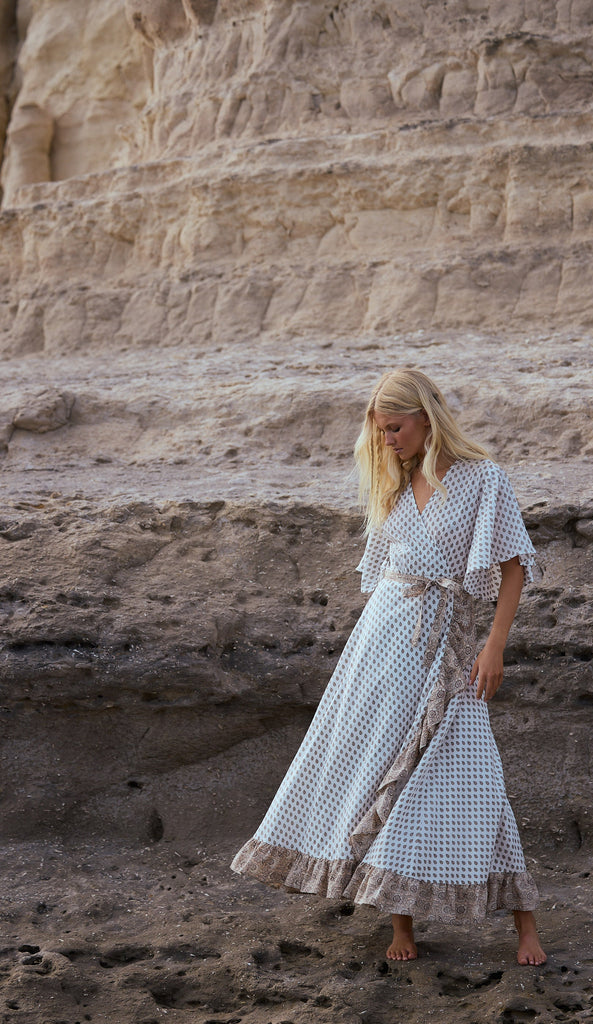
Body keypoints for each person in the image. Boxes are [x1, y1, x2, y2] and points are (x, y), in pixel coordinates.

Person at [231, 368, 546, 966]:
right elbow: (382, 580)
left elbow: (514, 566)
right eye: (380, 432)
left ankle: (524, 922)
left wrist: (495, 643)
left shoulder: (483, 480)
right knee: (381, 776)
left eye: (395, 428)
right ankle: (399, 922)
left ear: (428, 418)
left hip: (446, 650)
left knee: (476, 779)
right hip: (380, 647)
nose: (386, 442)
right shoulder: (396, 488)